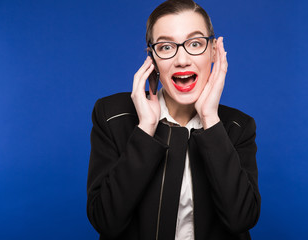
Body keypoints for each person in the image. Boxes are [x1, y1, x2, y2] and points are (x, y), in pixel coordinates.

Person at [87, 0, 261, 239]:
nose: (182, 60)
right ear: (153, 59)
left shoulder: (237, 127)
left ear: (213, 51)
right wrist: (145, 129)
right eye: (167, 47)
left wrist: (210, 119)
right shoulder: (112, 115)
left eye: (195, 43)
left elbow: (242, 218)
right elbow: (105, 221)